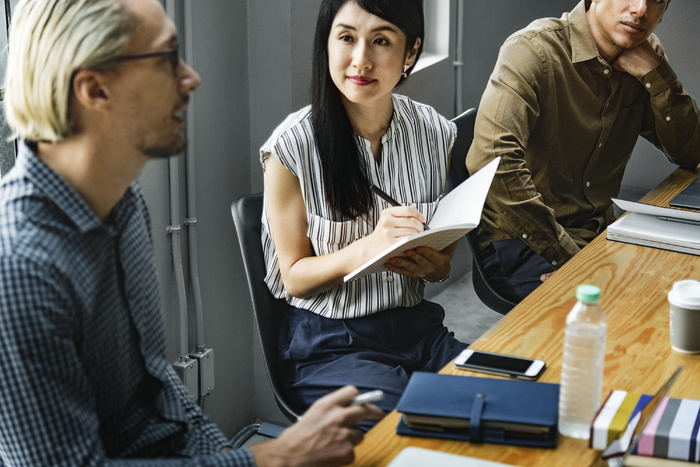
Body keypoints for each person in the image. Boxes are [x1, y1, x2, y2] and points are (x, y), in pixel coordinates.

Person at [0, 0, 382, 465]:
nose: (191, 78)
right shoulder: (20, 269)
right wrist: (274, 458)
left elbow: (156, 383)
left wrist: (221, 450)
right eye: (166, 60)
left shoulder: (121, 200)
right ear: (94, 89)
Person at [260, 0, 467, 429]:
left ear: (410, 52)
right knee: (417, 426)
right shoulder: (291, 147)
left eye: (381, 41)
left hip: (419, 330)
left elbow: (442, 260)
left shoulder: (435, 133)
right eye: (347, 37)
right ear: (327, 43)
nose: (361, 60)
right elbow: (293, 275)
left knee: (496, 403)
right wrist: (371, 245)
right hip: (330, 346)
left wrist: (435, 265)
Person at [466, 0, 700, 303]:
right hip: (526, 243)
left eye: (656, 0)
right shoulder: (533, 50)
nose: (641, 9)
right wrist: (570, 260)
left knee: (679, 284)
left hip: (598, 230)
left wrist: (657, 76)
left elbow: (690, 151)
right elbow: (492, 162)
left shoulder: (645, 54)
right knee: (629, 316)